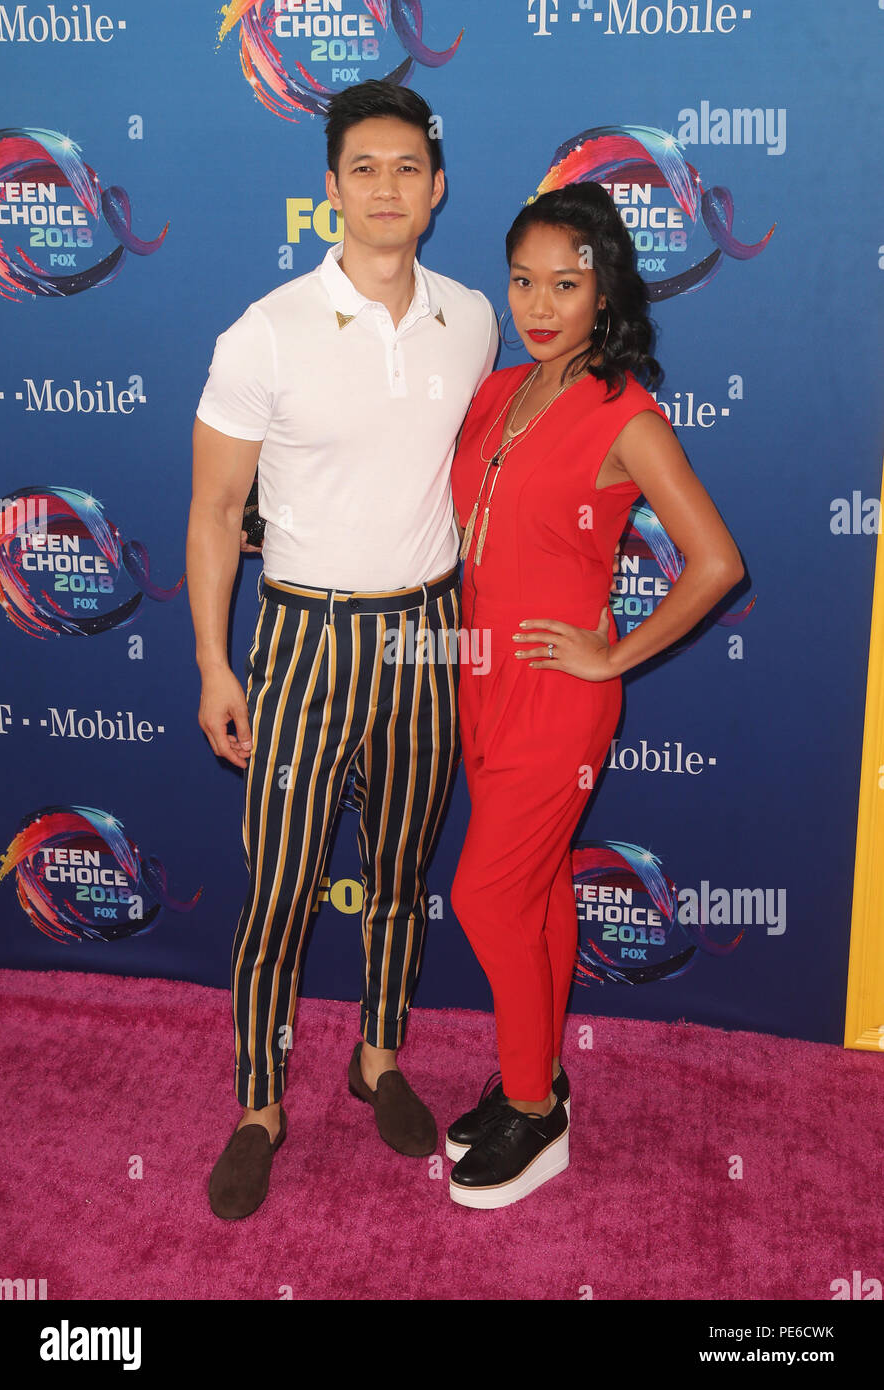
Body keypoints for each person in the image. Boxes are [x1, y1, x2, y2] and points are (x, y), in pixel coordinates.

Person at [186, 79, 497, 1220]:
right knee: (278, 887)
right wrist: (219, 666)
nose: (384, 188)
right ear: (330, 190)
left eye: (406, 169)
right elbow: (217, 514)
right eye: (362, 168)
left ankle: (378, 1055)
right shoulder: (261, 332)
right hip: (304, 635)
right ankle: (261, 1104)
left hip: (428, 628)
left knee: (404, 870)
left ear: (437, 188)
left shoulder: (473, 317)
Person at [446, 182, 744, 1209]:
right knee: (535, 888)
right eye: (524, 280)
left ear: (603, 292)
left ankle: (534, 1108)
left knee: (486, 894)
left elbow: (714, 563)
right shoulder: (495, 391)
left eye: (565, 284)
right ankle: (542, 1077)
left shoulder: (628, 415)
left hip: (558, 699)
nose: (538, 303)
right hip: (475, 685)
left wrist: (613, 657)